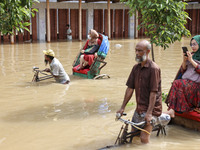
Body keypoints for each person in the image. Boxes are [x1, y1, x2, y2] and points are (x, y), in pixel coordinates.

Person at [116, 40, 162, 144]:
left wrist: (150, 113)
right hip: (139, 108)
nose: (137, 53)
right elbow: (130, 89)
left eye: (140, 51)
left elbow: (153, 92)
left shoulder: (153, 69)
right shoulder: (135, 68)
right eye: (136, 50)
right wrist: (122, 107)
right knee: (133, 135)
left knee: (143, 139)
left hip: (152, 109)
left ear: (148, 51)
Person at [165, 35, 200, 118]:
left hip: (196, 85)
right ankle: (172, 109)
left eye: (195, 44)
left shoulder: (192, 57)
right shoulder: (191, 54)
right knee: (177, 83)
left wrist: (191, 60)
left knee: (178, 83)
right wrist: (184, 61)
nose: (192, 47)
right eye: (191, 44)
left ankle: (172, 110)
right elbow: (183, 70)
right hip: (186, 81)